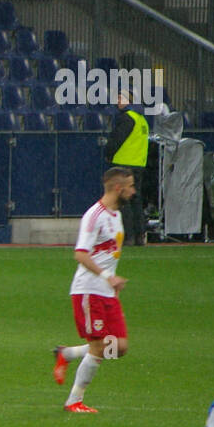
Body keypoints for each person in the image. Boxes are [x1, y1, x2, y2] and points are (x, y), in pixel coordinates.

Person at [51, 166, 136, 412]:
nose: (133, 191)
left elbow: (108, 253)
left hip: (107, 292)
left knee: (119, 347)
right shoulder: (94, 215)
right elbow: (80, 254)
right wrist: (108, 277)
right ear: (118, 188)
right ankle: (74, 401)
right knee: (99, 347)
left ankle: (67, 354)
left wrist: (112, 284)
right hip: (89, 291)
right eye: (130, 186)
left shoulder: (116, 215)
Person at [103, 91, 149, 245]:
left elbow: (116, 139)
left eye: (120, 98)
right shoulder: (142, 120)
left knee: (124, 202)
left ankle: (128, 236)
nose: (118, 101)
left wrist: (108, 154)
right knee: (136, 200)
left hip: (124, 165)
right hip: (138, 165)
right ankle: (140, 235)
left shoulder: (127, 118)